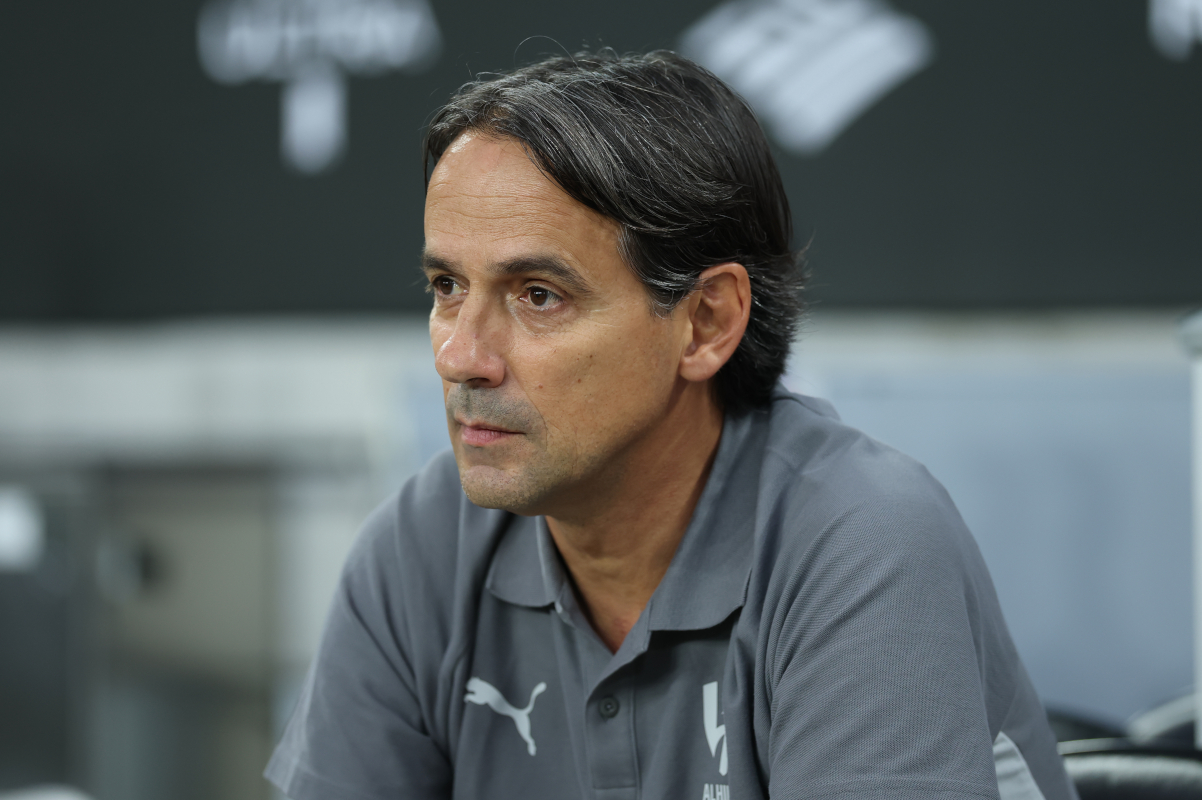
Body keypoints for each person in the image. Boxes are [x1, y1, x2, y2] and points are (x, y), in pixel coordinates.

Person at [265, 49, 1077, 800]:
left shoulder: (864, 544)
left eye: (537, 295)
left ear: (706, 323)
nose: (460, 355)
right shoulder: (417, 549)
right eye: (447, 287)